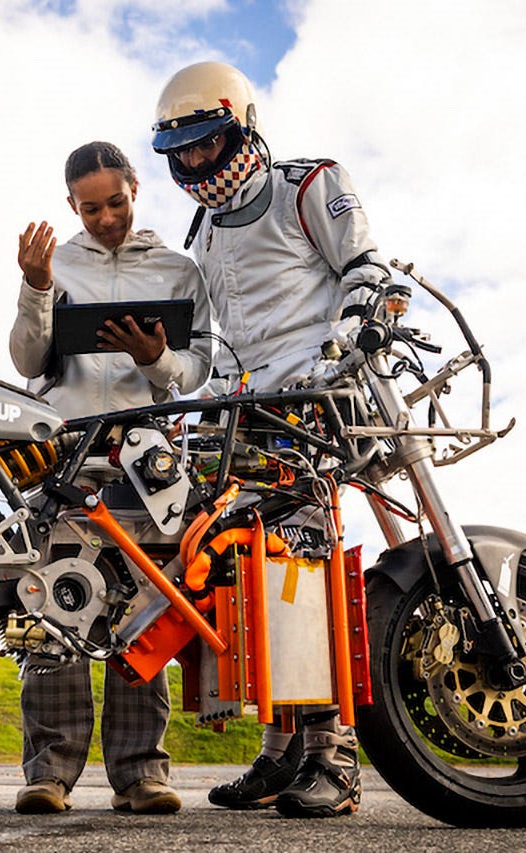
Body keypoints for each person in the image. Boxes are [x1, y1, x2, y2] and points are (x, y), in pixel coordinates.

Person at [150, 61, 392, 818]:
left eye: (206, 143)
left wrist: (355, 334)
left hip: (314, 404)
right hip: (246, 418)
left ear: (242, 126)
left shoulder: (308, 184)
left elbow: (367, 269)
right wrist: (200, 409)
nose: (194, 162)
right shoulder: (205, 234)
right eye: (180, 150)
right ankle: (280, 753)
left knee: (304, 577)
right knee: (241, 583)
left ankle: (334, 756)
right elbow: (226, 344)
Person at [9, 141, 212, 815]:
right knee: (56, 613)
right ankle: (49, 773)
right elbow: (27, 358)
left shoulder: (179, 270)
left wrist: (159, 360)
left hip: (146, 468)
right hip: (66, 463)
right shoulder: (55, 263)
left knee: (141, 616)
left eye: (116, 203)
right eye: (90, 208)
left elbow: (200, 367)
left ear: (135, 189)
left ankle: (141, 774)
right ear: (72, 205)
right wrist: (37, 287)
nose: (104, 218)